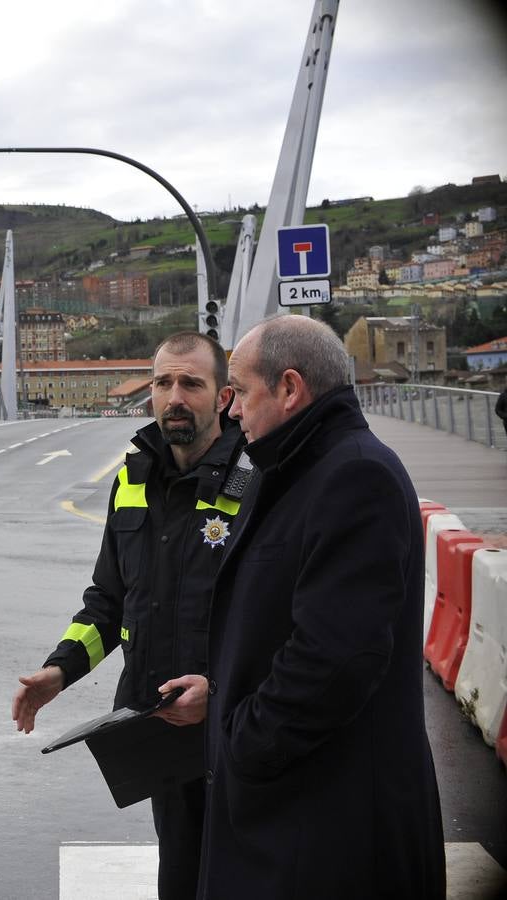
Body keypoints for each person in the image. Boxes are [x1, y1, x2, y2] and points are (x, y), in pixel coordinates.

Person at [183, 315, 444, 899]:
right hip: (296, 814)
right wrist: (221, 689)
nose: (231, 412)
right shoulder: (294, 468)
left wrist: (243, 741)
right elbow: (283, 624)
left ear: (290, 389)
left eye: (242, 392)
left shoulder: (354, 475)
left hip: (324, 830)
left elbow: (336, 659)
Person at [12, 332, 249, 900]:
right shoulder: (132, 478)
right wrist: (58, 673)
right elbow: (111, 600)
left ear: (223, 398)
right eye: (163, 383)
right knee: (180, 878)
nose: (174, 397)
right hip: (160, 726)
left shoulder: (256, 479)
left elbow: (272, 616)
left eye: (191, 383)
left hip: (235, 729)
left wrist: (219, 694)